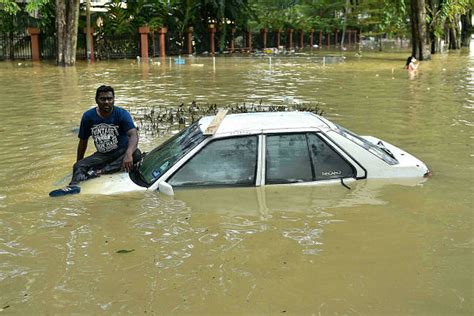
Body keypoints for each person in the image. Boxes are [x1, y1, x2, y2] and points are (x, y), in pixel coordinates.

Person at [50, 85, 140, 197]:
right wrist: (79, 163)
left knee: (136, 154)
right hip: (102, 155)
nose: (106, 102)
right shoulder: (88, 116)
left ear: (113, 100)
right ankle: (73, 186)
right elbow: (83, 141)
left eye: (109, 99)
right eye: (103, 99)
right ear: (96, 100)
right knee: (78, 166)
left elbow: (133, 134)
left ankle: (98, 172)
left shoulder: (121, 114)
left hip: (121, 153)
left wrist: (128, 154)